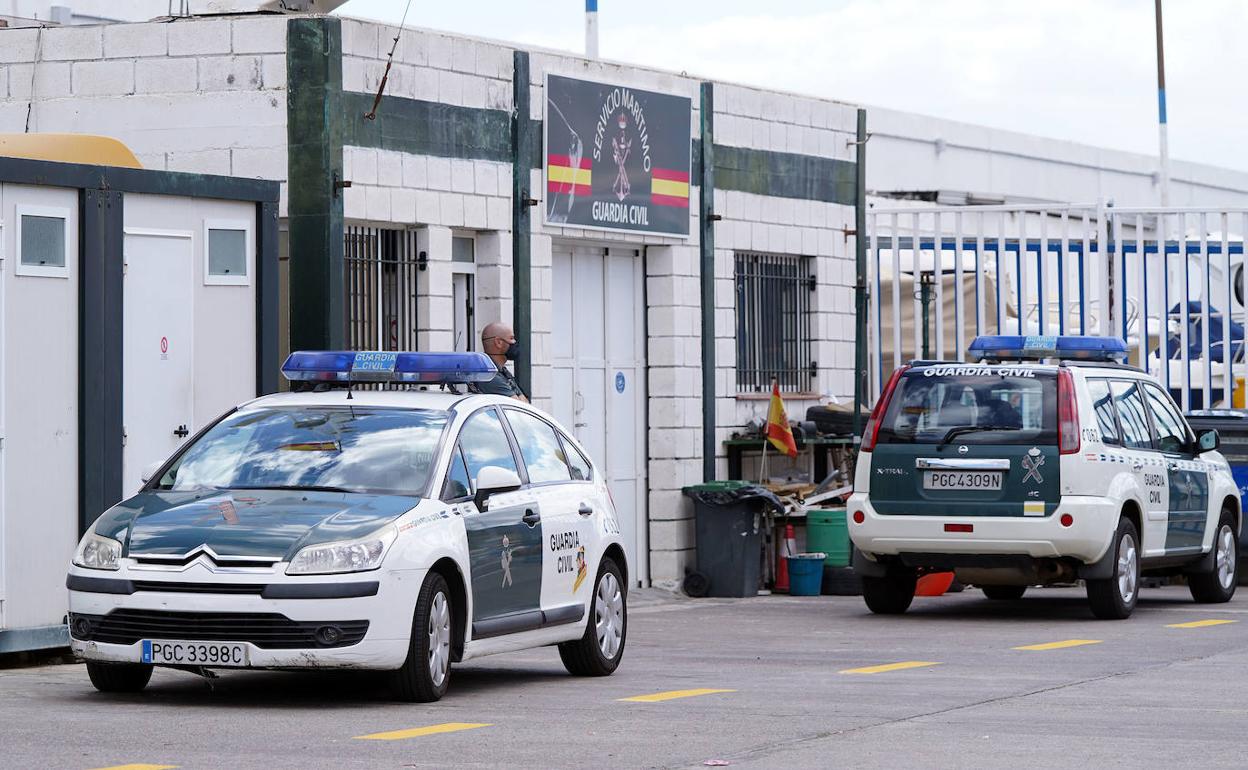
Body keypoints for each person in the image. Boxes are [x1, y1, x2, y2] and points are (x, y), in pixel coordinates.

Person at [476, 321, 528, 401]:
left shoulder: (502, 371)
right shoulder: (488, 375)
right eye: (511, 338)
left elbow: (525, 403)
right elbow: (520, 406)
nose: (514, 342)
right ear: (498, 342)